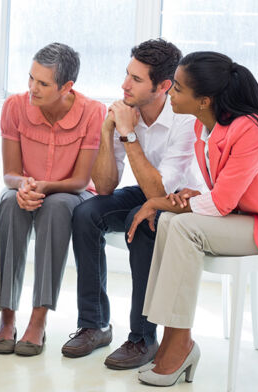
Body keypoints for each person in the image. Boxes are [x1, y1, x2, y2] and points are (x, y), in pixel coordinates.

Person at [128, 51, 258, 386]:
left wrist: (159, 202)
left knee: (182, 225)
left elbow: (221, 203)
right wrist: (190, 199)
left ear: (203, 100)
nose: (170, 93)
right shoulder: (208, 129)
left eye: (178, 89)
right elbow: (224, 198)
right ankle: (174, 337)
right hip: (245, 217)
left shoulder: (250, 129)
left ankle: (179, 342)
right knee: (172, 222)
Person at [60, 39, 202, 369]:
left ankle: (142, 338)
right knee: (86, 214)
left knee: (142, 222)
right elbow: (107, 185)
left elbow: (160, 191)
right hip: (148, 189)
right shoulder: (127, 113)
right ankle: (95, 324)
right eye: (127, 74)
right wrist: (108, 128)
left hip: (183, 202)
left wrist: (127, 133)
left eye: (136, 80)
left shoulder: (184, 120)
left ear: (164, 86)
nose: (124, 84)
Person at [0, 43, 106, 356]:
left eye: (42, 83)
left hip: (71, 191)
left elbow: (82, 180)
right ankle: (6, 317)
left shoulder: (94, 111)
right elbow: (10, 174)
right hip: (26, 186)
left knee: (56, 208)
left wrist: (43, 186)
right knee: (8, 203)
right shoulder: (14, 106)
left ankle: (38, 318)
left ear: (67, 86)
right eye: (31, 78)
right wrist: (24, 186)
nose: (32, 88)